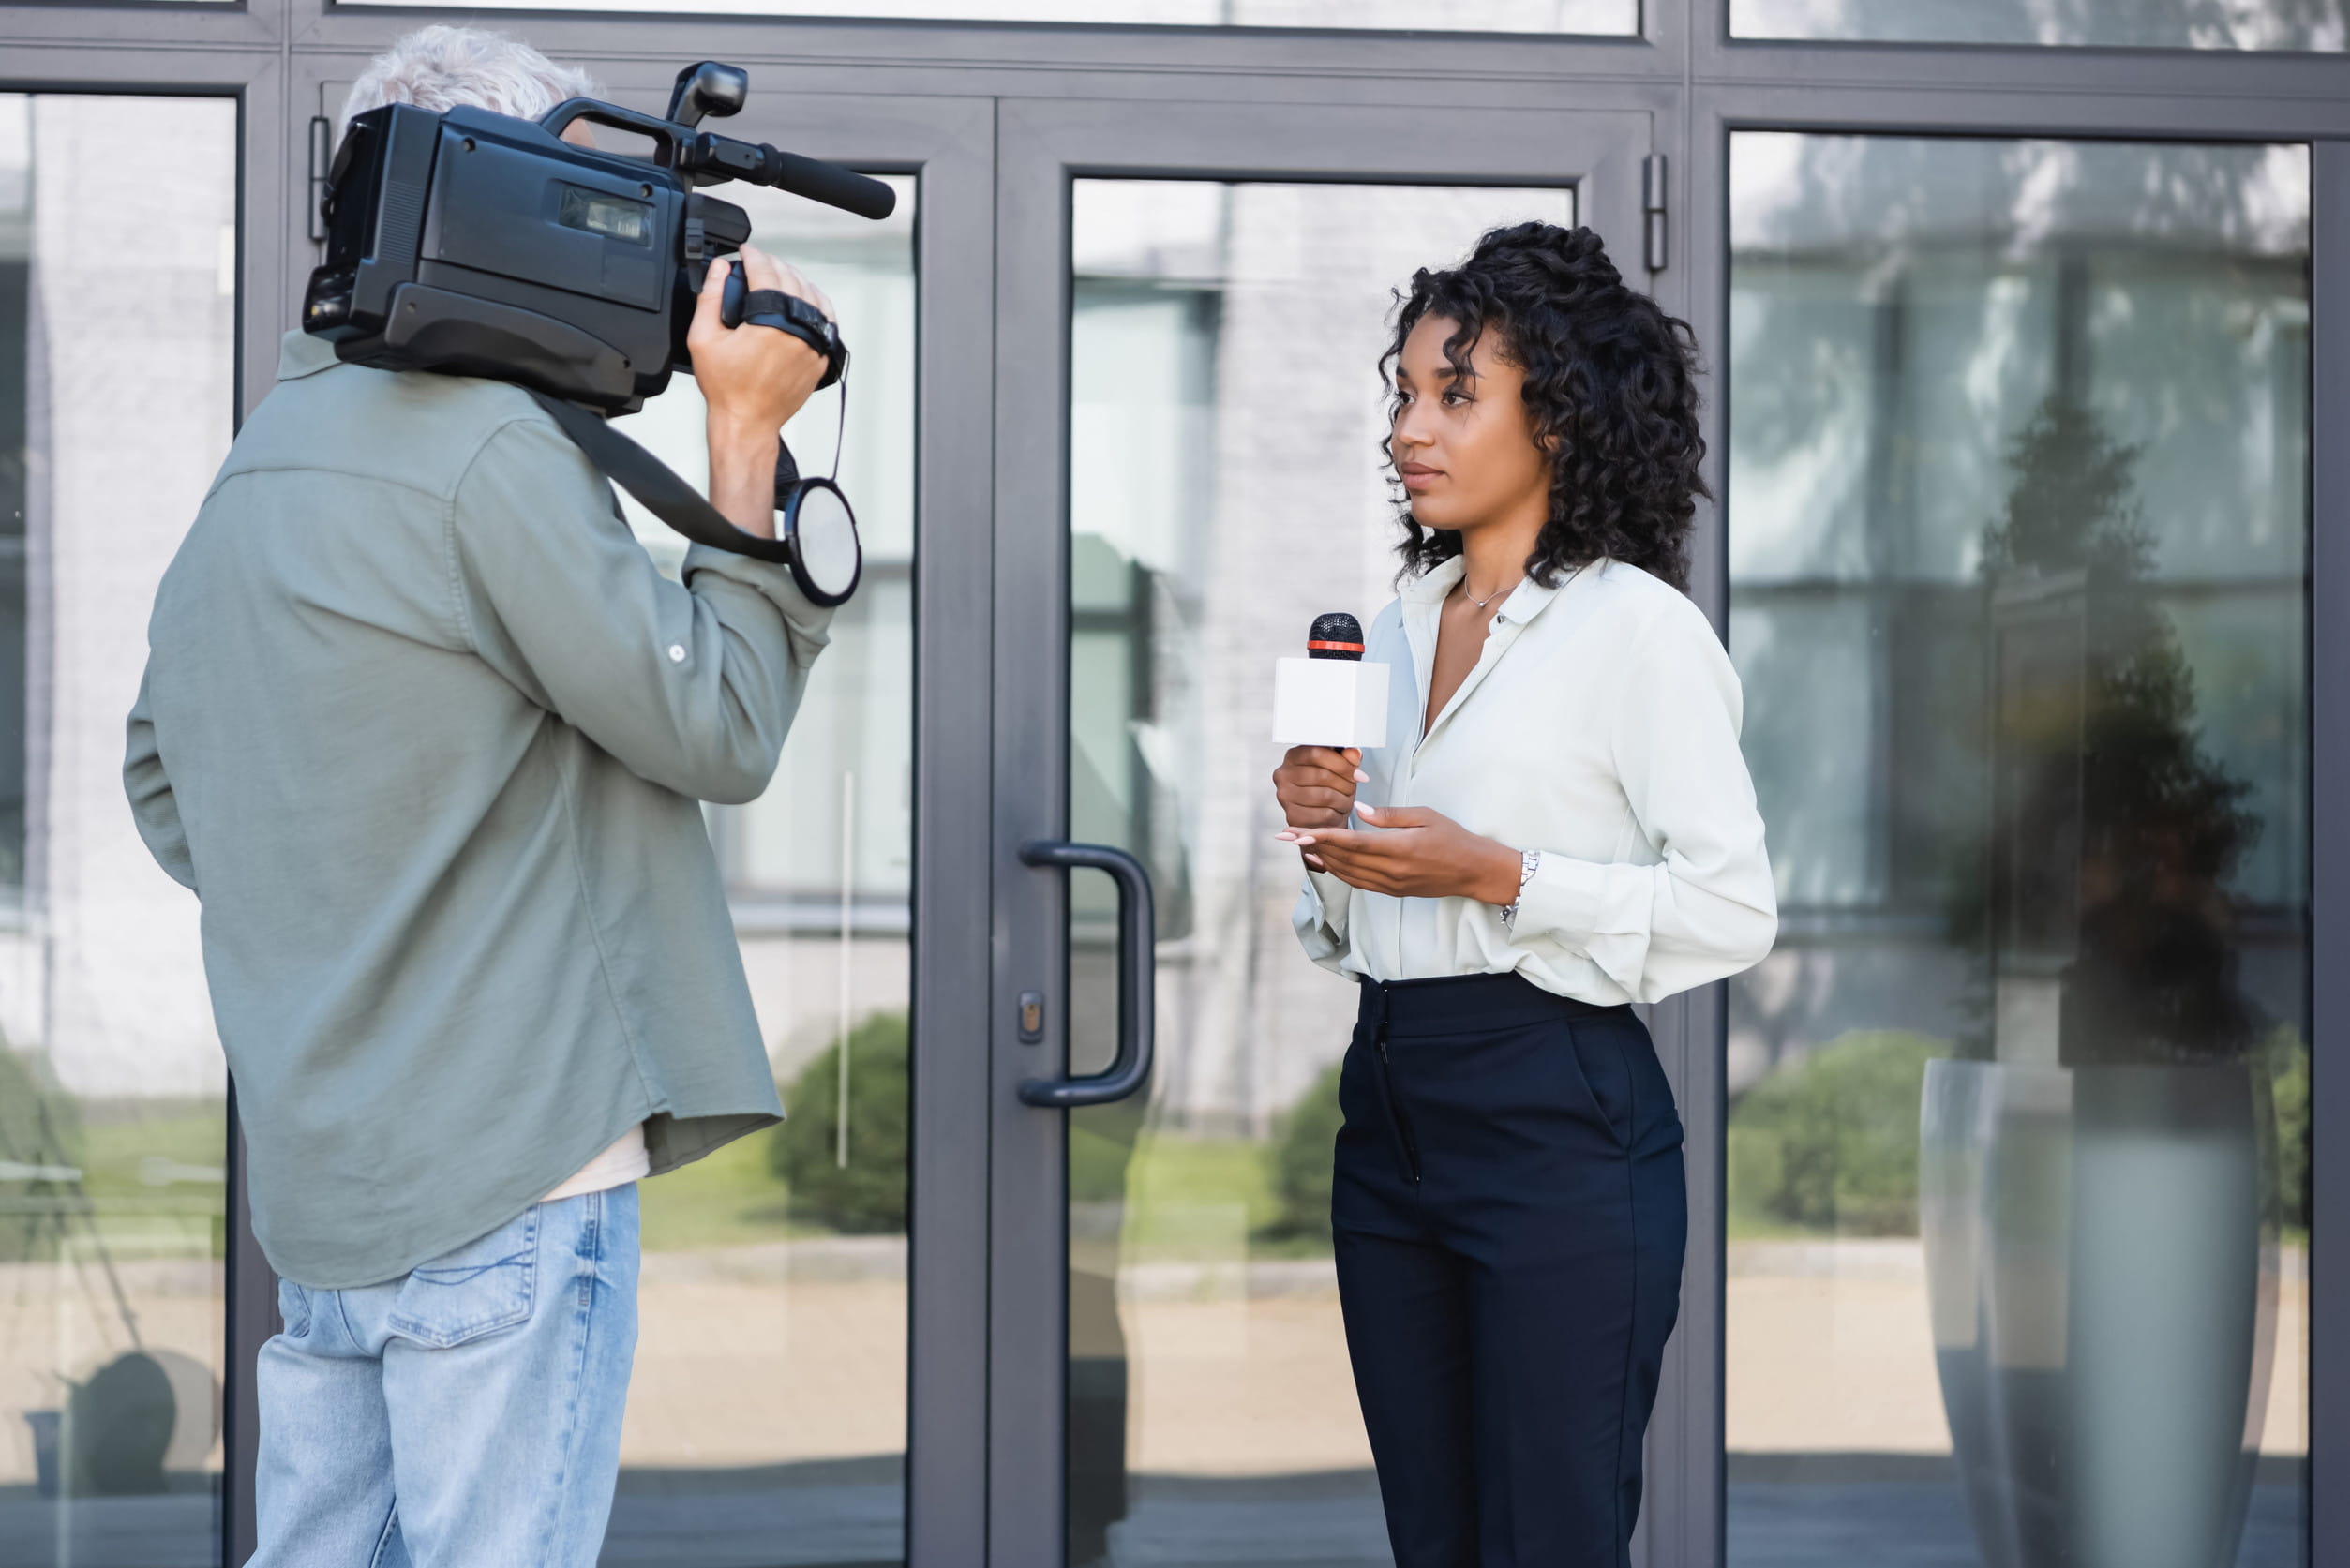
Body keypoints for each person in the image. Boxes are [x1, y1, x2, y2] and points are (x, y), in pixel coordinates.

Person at [121, 26, 838, 1567]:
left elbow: (159, 774)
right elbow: (716, 724)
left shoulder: (262, 458)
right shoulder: (488, 452)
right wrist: (747, 436)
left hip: (330, 1185)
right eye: (570, 202)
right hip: (511, 1172)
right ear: (476, 200)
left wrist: (350, 887)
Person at [1270, 221, 1776, 1568]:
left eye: (1454, 393)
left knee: (1549, 1540)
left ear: (1556, 417)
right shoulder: (1387, 629)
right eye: (1403, 394)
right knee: (1433, 1541)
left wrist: (1500, 875)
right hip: (1390, 1104)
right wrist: (1326, 840)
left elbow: (1733, 908)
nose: (1407, 429)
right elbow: (1355, 924)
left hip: (1560, 1114)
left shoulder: (1639, 633)